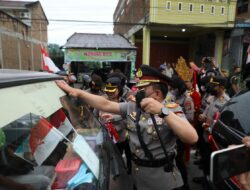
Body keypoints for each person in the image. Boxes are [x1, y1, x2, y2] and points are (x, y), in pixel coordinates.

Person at [56, 64, 198, 190]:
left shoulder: (171, 110)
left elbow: (192, 137)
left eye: (142, 89)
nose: (136, 92)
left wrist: (163, 111)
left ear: (157, 93)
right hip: (138, 176)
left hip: (161, 180)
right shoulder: (134, 106)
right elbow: (106, 105)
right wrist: (77, 92)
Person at [100, 73, 132, 174]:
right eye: (108, 90)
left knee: (129, 155)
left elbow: (130, 118)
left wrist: (115, 118)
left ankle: (129, 171)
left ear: (119, 90)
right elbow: (95, 116)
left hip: (123, 136)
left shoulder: (125, 103)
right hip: (108, 138)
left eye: (112, 90)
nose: (110, 93)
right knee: (113, 158)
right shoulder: (101, 101)